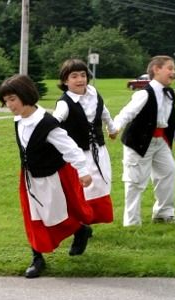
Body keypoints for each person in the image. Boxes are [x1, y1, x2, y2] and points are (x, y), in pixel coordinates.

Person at [0, 74, 94, 279]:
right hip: (29, 177)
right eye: (6, 101)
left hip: (50, 177)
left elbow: (70, 148)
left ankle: (79, 230)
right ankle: (37, 258)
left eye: (12, 99)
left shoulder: (47, 124)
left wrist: (83, 172)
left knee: (54, 215)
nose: (9, 105)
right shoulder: (18, 120)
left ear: (25, 95)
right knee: (32, 217)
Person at [113, 55, 175, 226]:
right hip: (138, 142)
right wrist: (115, 127)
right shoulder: (144, 94)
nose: (173, 72)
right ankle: (131, 221)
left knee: (169, 171)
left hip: (160, 142)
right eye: (170, 68)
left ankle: (163, 213)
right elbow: (127, 112)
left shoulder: (170, 93)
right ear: (156, 69)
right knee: (135, 180)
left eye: (174, 69)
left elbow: (169, 117)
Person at [53, 58, 117, 231]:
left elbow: (104, 113)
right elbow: (54, 122)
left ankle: (92, 219)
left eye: (82, 75)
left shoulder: (94, 94)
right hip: (78, 154)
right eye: (74, 76)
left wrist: (112, 129)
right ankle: (81, 223)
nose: (80, 79)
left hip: (99, 149)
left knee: (101, 183)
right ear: (65, 81)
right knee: (83, 188)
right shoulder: (64, 103)